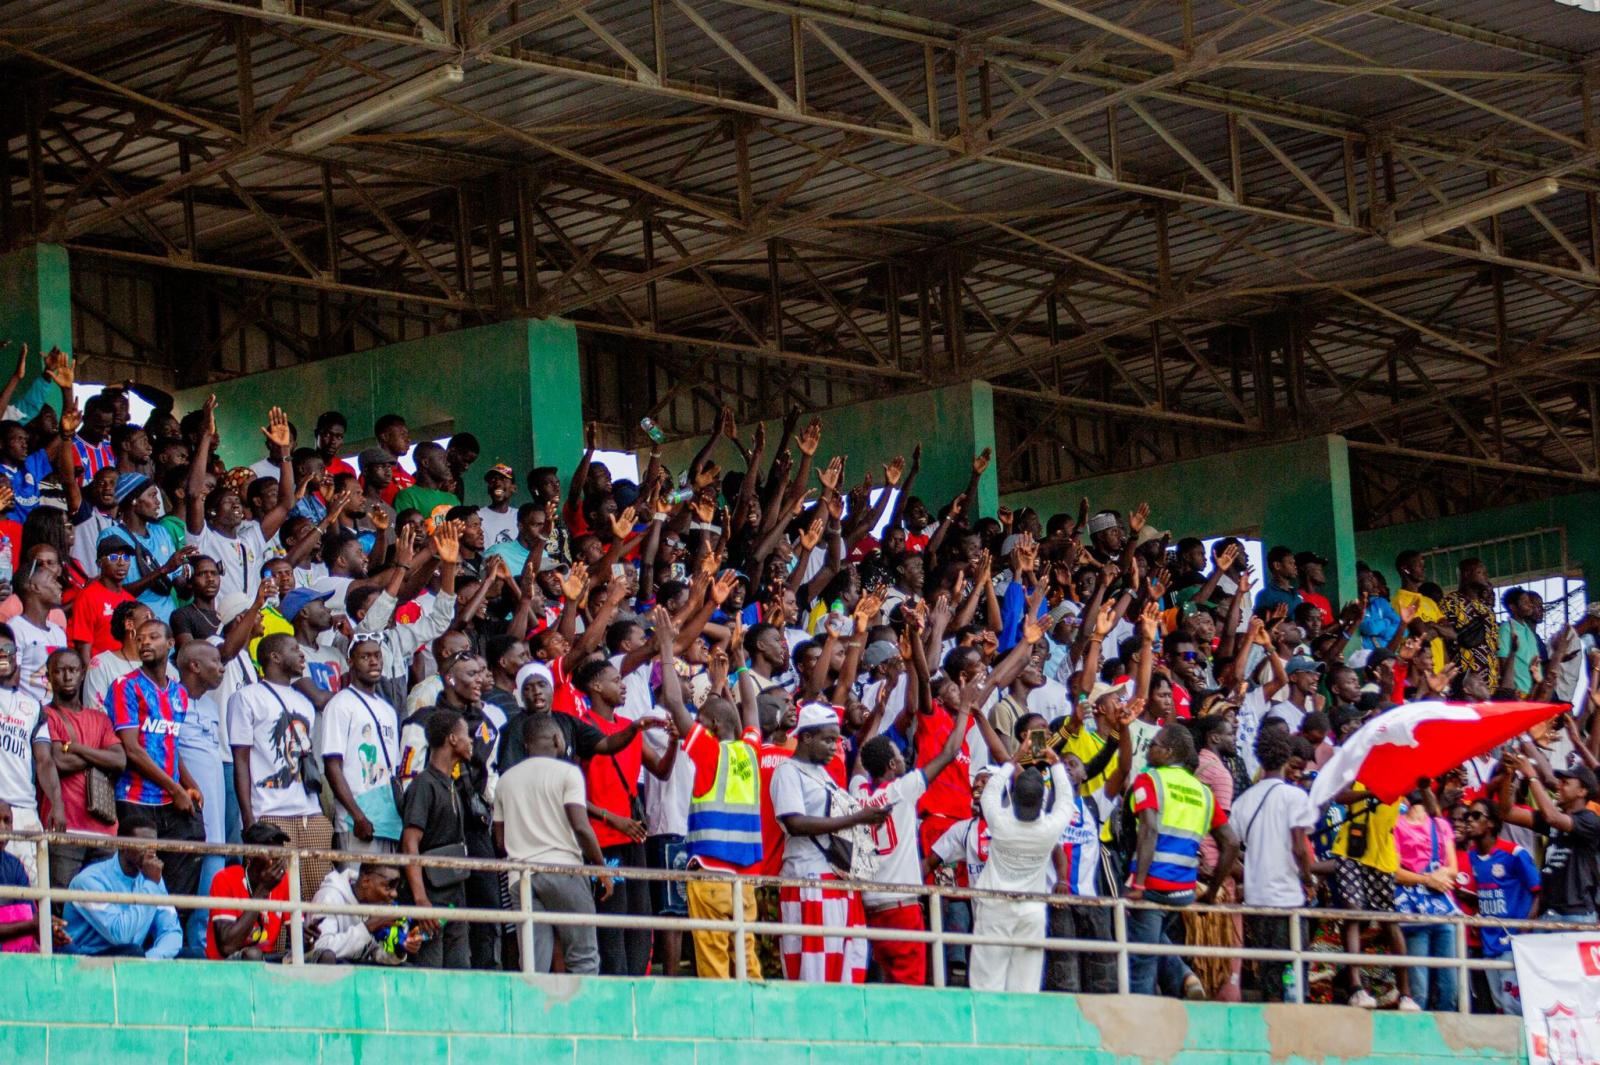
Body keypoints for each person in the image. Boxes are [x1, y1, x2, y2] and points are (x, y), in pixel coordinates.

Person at [769, 702, 890, 984]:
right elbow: (794, 823)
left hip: (836, 878)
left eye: (836, 740)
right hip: (808, 877)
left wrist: (864, 820)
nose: (834, 746)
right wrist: (857, 818)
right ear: (806, 737)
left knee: (843, 964)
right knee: (814, 968)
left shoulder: (823, 773)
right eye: (827, 740)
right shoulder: (788, 771)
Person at [1124, 723, 1239, 999]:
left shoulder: (1149, 780)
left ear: (1169, 751)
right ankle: (1185, 977)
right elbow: (1232, 843)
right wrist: (1211, 893)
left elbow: (1149, 829)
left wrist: (1138, 885)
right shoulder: (1203, 792)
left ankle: (1142, 1020)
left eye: (1154, 744)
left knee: (1142, 960)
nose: (1149, 749)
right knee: (1151, 937)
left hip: (1151, 886)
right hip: (1184, 890)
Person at [492, 714, 612, 975]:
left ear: (525, 746)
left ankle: (534, 1014)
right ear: (558, 739)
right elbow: (581, 826)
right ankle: (585, 1014)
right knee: (584, 957)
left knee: (533, 963)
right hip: (563, 870)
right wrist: (602, 869)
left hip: (520, 876)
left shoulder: (505, 781)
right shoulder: (568, 773)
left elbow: (500, 841)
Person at [967, 739, 1081, 993]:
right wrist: (1054, 762)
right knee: (1025, 986)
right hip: (1031, 911)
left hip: (995, 908)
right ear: (1043, 799)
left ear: (1014, 794)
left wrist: (1015, 758)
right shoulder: (1050, 829)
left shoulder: (998, 822)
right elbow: (1065, 798)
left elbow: (991, 791)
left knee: (987, 982)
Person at [227, 632, 332, 906]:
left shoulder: (304, 702)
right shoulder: (246, 697)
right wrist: (249, 818)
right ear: (274, 657)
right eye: (294, 649)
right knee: (276, 902)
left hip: (310, 812)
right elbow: (241, 759)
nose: (302, 655)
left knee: (317, 903)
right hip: (270, 813)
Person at [106, 618, 205, 899]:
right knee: (137, 878)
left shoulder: (179, 693)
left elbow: (170, 744)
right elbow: (132, 748)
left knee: (182, 877)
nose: (144, 642)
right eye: (139, 639)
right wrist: (175, 789)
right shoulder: (125, 686)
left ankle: (173, 935)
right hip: (136, 800)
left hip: (172, 801)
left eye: (153, 637)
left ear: (170, 644)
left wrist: (189, 783)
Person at [1231, 727, 1315, 1002]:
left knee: (1269, 972)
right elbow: (1301, 847)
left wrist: (1252, 874)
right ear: (1286, 757)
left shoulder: (1243, 801)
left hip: (1257, 899)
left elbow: (1232, 848)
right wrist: (1307, 879)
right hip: (1288, 897)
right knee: (1293, 970)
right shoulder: (1295, 797)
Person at [41, 648, 124, 887]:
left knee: (101, 907)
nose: (66, 677)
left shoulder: (100, 718)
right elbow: (59, 761)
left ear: (82, 672)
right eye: (58, 671)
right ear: (48, 676)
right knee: (62, 904)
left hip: (104, 829)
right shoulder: (46, 714)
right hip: (65, 826)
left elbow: (119, 761)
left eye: (72, 670)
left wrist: (76, 748)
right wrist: (99, 755)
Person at [398, 707, 472, 970]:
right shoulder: (423, 785)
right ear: (452, 739)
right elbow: (410, 843)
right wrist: (420, 901)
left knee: (460, 972)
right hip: (431, 898)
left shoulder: (451, 784)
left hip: (455, 896)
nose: (471, 741)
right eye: (466, 735)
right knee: (431, 973)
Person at [61, 810, 183, 959]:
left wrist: (152, 959)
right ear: (122, 845)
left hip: (134, 958)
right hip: (88, 959)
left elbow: (171, 931)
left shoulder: (153, 877)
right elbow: (120, 935)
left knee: (193, 954)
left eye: (154, 846)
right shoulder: (89, 880)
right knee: (133, 952)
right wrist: (151, 884)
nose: (150, 853)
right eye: (143, 845)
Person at [321, 635, 401, 855]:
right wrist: (357, 816)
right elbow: (332, 765)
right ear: (351, 662)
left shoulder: (388, 709)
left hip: (389, 822)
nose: (373, 662)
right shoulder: (340, 704)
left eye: (377, 656)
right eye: (365, 656)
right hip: (356, 822)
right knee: (356, 886)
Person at [1498, 753, 1600, 924]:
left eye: (1565, 783)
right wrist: (1509, 774)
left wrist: (1532, 776)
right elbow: (1506, 813)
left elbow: (1553, 818)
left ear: (1582, 792)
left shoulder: (1590, 819)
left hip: (1577, 914)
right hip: (1548, 913)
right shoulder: (1555, 818)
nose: (1558, 787)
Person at [1460, 798, 1539, 1014]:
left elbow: (1539, 891)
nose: (1469, 821)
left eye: (1476, 816)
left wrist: (1526, 926)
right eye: (1467, 816)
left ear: (1492, 823)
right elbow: (1485, 892)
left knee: (1513, 1005)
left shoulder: (1515, 854)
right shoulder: (1473, 857)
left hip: (1512, 942)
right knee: (1499, 1006)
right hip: (1488, 942)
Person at [0, 625, 64, 886]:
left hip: (24, 811)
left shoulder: (32, 707)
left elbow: (45, 760)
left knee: (35, 892)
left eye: (7, 649)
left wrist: (56, 802)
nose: (2, 655)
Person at [205, 821, 291, 960]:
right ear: (250, 854)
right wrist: (263, 890)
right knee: (253, 954)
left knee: (323, 955)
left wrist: (308, 939)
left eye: (279, 850)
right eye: (269, 850)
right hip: (226, 966)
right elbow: (228, 946)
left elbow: (298, 940)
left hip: (267, 959)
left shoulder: (284, 880)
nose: (276, 857)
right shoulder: (225, 878)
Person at [308, 861, 419, 965]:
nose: (394, 894)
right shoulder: (329, 896)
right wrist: (368, 927)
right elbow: (320, 951)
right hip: (330, 976)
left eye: (396, 887)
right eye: (389, 886)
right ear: (366, 882)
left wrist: (400, 948)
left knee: (410, 968)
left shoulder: (375, 903)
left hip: (358, 972)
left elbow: (376, 953)